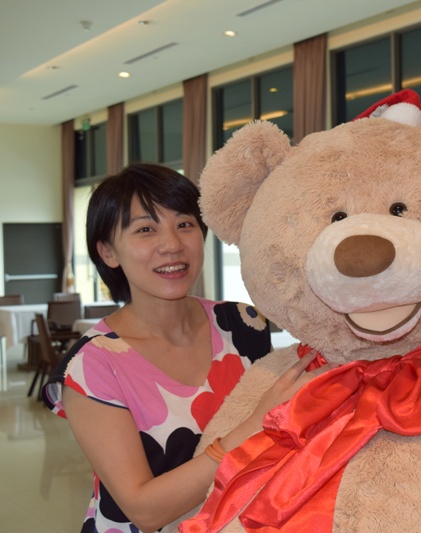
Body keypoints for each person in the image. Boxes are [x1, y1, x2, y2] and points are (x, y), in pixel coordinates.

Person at [43, 163, 327, 533]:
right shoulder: (91, 364)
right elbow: (144, 511)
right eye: (145, 229)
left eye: (184, 224)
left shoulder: (243, 322)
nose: (172, 245)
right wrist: (254, 426)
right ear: (109, 252)